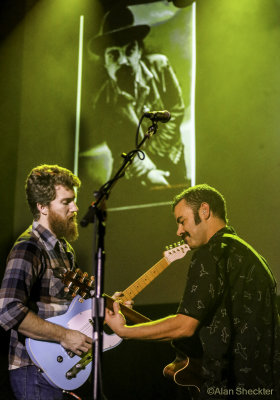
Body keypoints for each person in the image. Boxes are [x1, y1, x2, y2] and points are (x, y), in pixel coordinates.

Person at [105, 184, 280, 399]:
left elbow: (184, 326)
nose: (179, 231)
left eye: (182, 221)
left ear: (204, 211)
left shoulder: (210, 253)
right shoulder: (251, 256)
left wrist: (125, 331)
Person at [0, 165, 93, 400]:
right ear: (42, 207)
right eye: (66, 202)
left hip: (58, 369)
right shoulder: (29, 247)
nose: (75, 208)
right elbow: (8, 310)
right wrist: (63, 336)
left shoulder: (64, 250)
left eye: (74, 201)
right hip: (33, 371)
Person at [80, 5, 188, 191]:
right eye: (114, 55)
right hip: (133, 168)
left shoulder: (160, 67)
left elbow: (176, 110)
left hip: (171, 155)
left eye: (129, 51)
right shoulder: (103, 101)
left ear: (138, 51)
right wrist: (148, 171)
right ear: (105, 63)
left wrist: (157, 154)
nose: (123, 61)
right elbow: (119, 146)